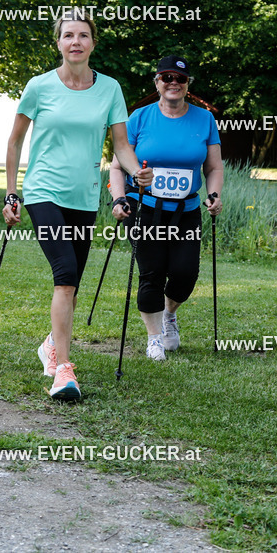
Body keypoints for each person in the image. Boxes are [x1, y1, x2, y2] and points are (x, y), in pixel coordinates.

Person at [3, 8, 151, 401]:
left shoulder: (110, 90)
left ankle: (52, 343)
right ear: (58, 42)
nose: (75, 42)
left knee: (73, 282)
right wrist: (11, 191)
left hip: (84, 197)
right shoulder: (39, 86)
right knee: (65, 273)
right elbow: (15, 141)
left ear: (93, 43)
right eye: (68, 35)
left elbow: (121, 146)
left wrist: (137, 173)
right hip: (43, 191)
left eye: (83, 35)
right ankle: (64, 371)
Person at [109, 56, 223, 361]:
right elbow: (117, 166)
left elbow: (214, 167)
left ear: (188, 85)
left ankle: (170, 314)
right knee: (151, 273)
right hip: (146, 209)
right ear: (157, 82)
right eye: (166, 77)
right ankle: (154, 337)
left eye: (180, 79)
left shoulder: (205, 120)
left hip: (187, 211)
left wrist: (214, 194)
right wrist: (119, 199)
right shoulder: (139, 118)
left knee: (185, 274)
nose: (173, 83)